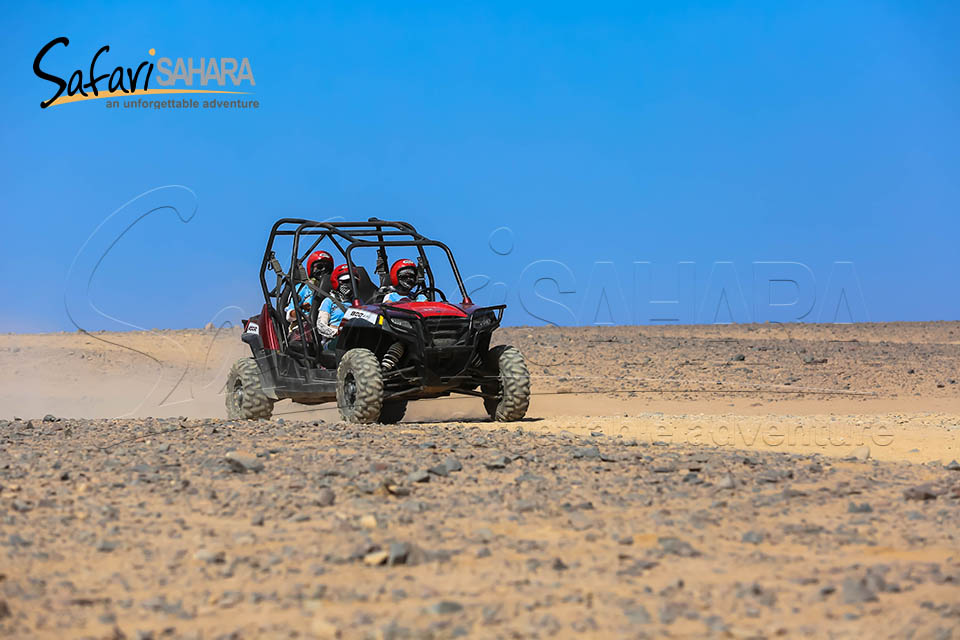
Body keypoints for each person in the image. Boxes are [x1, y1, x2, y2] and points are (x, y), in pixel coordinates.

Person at [285, 250, 334, 326]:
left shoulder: (336, 290)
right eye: (319, 267)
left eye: (328, 268)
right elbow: (290, 316)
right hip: (305, 328)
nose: (324, 270)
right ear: (311, 268)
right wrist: (301, 308)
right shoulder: (302, 288)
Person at [316, 264, 355, 345]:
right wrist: (338, 332)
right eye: (346, 281)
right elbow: (321, 326)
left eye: (352, 282)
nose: (349, 285)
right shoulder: (329, 301)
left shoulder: (357, 304)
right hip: (334, 342)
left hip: (355, 339)